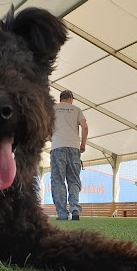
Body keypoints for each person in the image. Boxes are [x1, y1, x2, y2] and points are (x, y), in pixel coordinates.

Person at [50, 89, 88, 220]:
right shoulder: (76, 110)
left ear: (60, 99)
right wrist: (82, 145)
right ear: (71, 98)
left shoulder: (53, 109)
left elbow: (46, 127)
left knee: (58, 181)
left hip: (57, 147)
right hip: (73, 148)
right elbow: (85, 127)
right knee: (73, 180)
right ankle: (75, 209)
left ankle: (62, 214)